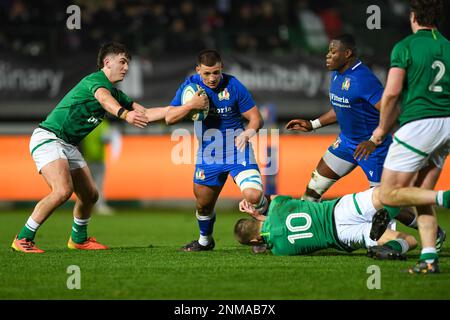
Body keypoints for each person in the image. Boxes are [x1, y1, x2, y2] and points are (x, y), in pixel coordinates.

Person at [11, 42, 174, 253]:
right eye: (122, 62)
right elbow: (104, 100)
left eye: (128, 64)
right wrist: (125, 114)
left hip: (66, 144)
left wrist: (186, 108)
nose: (126, 68)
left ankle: (78, 239)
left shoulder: (116, 94)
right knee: (62, 191)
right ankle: (23, 238)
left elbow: (147, 113)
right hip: (49, 137)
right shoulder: (96, 81)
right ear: (107, 62)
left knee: (90, 195)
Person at [369, 0, 450, 274]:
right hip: (447, 126)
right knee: (419, 195)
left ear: (413, 16)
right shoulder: (448, 47)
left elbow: (391, 94)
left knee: (389, 194)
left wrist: (381, 130)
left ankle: (445, 197)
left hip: (419, 123)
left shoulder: (406, 46)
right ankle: (428, 259)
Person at [165, 49, 266, 251]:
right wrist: (190, 105)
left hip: (238, 150)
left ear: (222, 69)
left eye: (216, 72)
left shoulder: (234, 85)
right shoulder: (190, 87)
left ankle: (264, 232)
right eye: (207, 73)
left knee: (253, 195)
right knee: (203, 204)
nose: (212, 78)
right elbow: (169, 118)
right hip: (209, 155)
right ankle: (205, 241)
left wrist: (248, 133)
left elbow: (257, 118)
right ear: (198, 71)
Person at [286, 34, 391, 202]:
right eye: (328, 51)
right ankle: (308, 228)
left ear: (347, 53)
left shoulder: (363, 79)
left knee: (384, 203)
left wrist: (373, 140)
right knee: (312, 191)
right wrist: (313, 124)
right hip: (346, 143)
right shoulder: (337, 75)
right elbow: (341, 107)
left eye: (333, 52)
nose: (327, 56)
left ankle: (433, 229)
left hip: (372, 148)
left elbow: (391, 111)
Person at [235, 187, 418, 258]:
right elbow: (270, 200)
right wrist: (257, 212)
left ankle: (392, 247)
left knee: (410, 241)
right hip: (338, 211)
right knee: (386, 193)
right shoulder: (277, 207)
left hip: (342, 237)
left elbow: (277, 231)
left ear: (254, 240)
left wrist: (260, 228)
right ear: (255, 219)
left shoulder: (279, 250)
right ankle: (390, 213)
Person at [80, 119, 116, 215]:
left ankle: (85, 206)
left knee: (85, 185)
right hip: (97, 159)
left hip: (84, 158)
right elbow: (106, 138)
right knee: (98, 184)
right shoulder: (103, 124)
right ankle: (99, 206)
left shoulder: (85, 122)